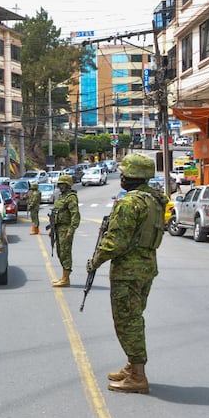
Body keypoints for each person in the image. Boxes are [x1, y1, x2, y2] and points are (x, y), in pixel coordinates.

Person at [86, 153, 166, 394]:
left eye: (124, 173)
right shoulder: (154, 200)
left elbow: (115, 242)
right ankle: (132, 366)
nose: (120, 177)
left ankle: (138, 376)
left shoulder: (130, 203)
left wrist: (95, 261)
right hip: (146, 267)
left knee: (127, 321)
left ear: (134, 176)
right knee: (134, 316)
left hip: (128, 272)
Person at [50, 173, 80, 287]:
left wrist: (71, 231)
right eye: (60, 184)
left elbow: (75, 215)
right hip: (58, 228)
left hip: (65, 229)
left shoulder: (71, 197)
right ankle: (63, 277)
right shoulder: (61, 197)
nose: (61, 186)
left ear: (68, 185)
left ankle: (66, 279)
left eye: (63, 184)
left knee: (65, 253)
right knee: (59, 252)